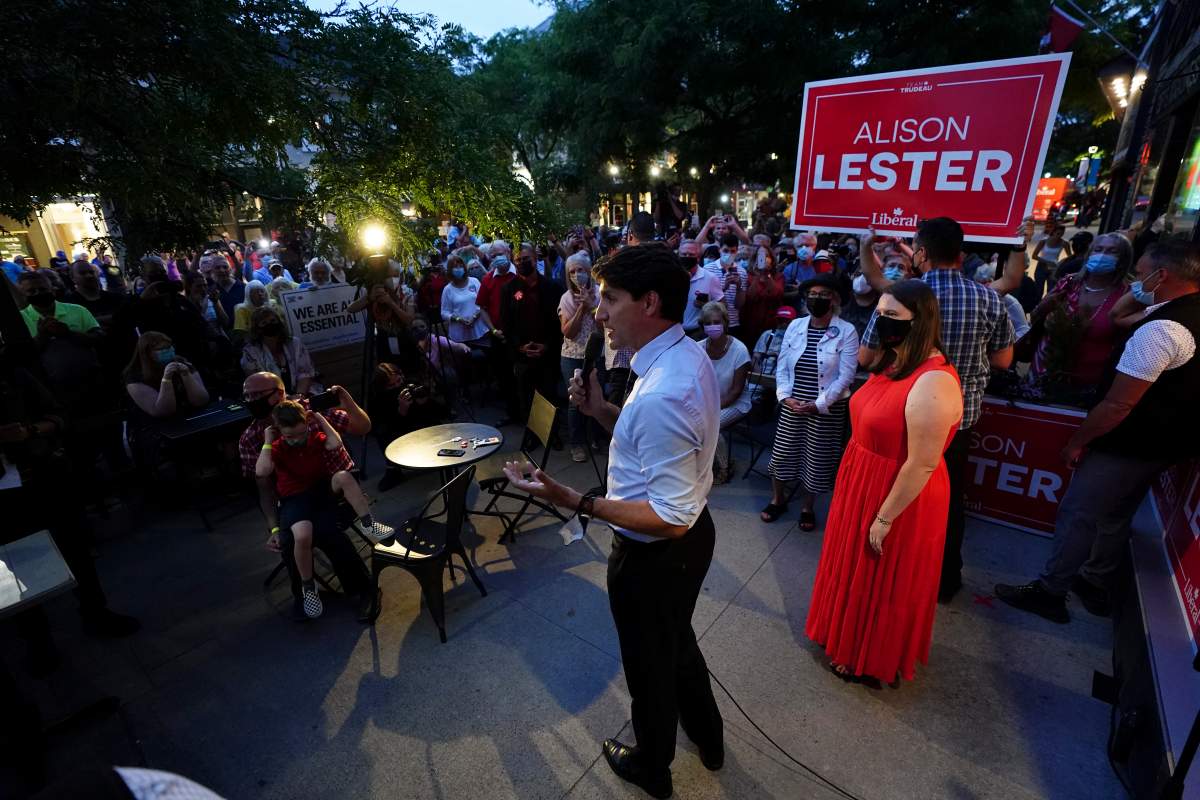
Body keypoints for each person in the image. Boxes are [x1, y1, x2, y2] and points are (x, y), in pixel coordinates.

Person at [500, 244, 723, 799]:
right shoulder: (681, 356)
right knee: (678, 642)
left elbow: (667, 517)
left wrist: (574, 500)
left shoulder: (663, 390)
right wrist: (602, 413)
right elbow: (659, 448)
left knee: (649, 667)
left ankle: (654, 768)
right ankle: (709, 737)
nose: (598, 313)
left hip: (656, 555)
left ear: (650, 302)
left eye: (610, 300)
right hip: (692, 539)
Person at [996, 240, 1200, 623]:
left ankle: (1051, 591)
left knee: (1079, 512)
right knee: (1115, 515)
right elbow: (1123, 319)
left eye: (1141, 275)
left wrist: (1078, 441)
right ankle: (1094, 580)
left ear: (1163, 275)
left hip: (1126, 443)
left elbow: (1119, 403)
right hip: (1158, 445)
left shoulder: (1162, 330)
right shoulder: (1183, 314)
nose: (1136, 283)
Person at [807, 279, 962, 685]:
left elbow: (923, 464)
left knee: (881, 580)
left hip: (897, 493)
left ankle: (871, 658)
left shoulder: (934, 380)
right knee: (855, 572)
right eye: (879, 313)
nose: (881, 321)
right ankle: (846, 639)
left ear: (921, 321)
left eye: (892, 315)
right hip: (862, 478)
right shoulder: (893, 360)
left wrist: (885, 517)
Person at [859, 219, 1014, 603]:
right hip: (957, 425)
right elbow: (1004, 359)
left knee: (894, 503)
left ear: (921, 254)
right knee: (945, 504)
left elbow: (866, 356)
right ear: (960, 253)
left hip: (897, 420)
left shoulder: (900, 298)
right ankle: (943, 581)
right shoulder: (990, 298)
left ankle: (893, 581)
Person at [239, 372, 380, 622]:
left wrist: (347, 401)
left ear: (279, 394)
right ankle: (305, 595)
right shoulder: (251, 438)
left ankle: (364, 590)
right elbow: (265, 489)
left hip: (335, 490)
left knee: (326, 529)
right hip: (295, 497)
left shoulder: (311, 411)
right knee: (290, 537)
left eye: (258, 395)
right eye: (247, 396)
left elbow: (362, 427)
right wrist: (273, 528)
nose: (251, 400)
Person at [761, 275, 859, 530]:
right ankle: (777, 498)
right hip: (793, 404)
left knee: (816, 459)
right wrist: (785, 397)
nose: (816, 299)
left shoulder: (846, 331)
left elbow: (846, 375)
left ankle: (807, 507)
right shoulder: (795, 326)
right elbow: (782, 366)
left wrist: (819, 403)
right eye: (812, 294)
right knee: (782, 454)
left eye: (823, 294)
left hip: (826, 408)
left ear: (835, 299)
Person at [1021, 233, 1131, 404]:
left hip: (1087, 382)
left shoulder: (1126, 294)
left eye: (1111, 251)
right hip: (1044, 371)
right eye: (1098, 249)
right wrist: (1044, 307)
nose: (1102, 255)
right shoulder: (1069, 283)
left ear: (1123, 259)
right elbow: (1035, 317)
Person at [500, 245, 564, 420]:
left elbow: (559, 322)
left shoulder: (553, 287)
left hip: (548, 352)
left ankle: (552, 433)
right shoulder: (508, 289)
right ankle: (532, 435)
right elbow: (506, 324)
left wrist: (547, 346)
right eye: (518, 260)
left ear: (535, 259)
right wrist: (520, 347)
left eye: (526, 259)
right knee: (527, 397)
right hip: (523, 354)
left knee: (550, 395)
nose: (522, 263)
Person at [699, 301, 751, 484]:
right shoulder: (698, 348)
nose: (713, 326)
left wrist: (711, 408)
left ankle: (725, 467)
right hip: (706, 403)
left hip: (735, 403)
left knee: (711, 426)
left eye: (716, 322)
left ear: (725, 323)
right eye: (708, 323)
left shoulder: (739, 351)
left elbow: (736, 391)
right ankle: (699, 465)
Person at [558, 251, 601, 463]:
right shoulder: (566, 298)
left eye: (580, 270)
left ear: (589, 271)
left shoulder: (601, 294)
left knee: (596, 397)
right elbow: (568, 332)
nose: (577, 275)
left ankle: (596, 439)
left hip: (596, 354)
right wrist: (581, 308)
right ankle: (576, 443)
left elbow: (604, 327)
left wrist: (592, 305)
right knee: (575, 400)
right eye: (572, 271)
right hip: (572, 355)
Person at [124, 332, 210, 419]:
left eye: (169, 347)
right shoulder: (134, 377)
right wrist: (166, 380)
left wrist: (186, 375)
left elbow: (202, 400)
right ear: (148, 354)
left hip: (191, 416)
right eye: (162, 349)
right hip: (158, 426)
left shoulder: (181, 362)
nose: (168, 351)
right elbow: (163, 411)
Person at [240, 307, 318, 395]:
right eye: (264, 323)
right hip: (271, 400)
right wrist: (284, 399)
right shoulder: (250, 352)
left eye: (273, 321)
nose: (270, 325)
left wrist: (299, 396)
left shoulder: (295, 343)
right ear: (257, 329)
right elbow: (257, 383)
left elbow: (305, 373)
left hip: (302, 394)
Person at [740, 244, 783, 346]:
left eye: (766, 255)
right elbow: (750, 296)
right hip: (750, 325)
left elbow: (777, 294)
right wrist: (758, 275)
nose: (763, 258)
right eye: (760, 255)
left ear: (772, 259)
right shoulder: (748, 275)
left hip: (771, 324)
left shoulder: (778, 276)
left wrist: (767, 275)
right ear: (755, 259)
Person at [679, 239, 723, 338]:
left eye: (691, 255)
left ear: (698, 258)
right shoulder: (670, 276)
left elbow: (722, 306)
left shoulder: (710, 277)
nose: (687, 257)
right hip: (675, 332)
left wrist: (707, 305)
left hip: (699, 333)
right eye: (684, 254)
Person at [1031, 220, 1071, 299]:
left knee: (1051, 290)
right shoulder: (1044, 241)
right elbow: (1034, 256)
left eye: (1062, 234)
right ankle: (1036, 307)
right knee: (1038, 290)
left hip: (1054, 268)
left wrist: (1061, 263)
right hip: (1041, 266)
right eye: (1058, 234)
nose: (1059, 236)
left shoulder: (1064, 243)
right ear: (1053, 232)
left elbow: (1070, 257)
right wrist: (1047, 262)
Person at [841, 271, 880, 337]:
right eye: (858, 274)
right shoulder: (844, 303)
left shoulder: (881, 308)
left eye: (867, 276)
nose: (861, 279)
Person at [209, 256, 245, 327]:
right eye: (217, 267)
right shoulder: (212, 291)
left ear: (230, 269)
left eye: (225, 267)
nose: (222, 270)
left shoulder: (242, 287)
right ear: (212, 271)